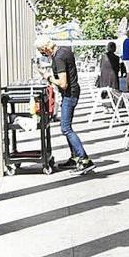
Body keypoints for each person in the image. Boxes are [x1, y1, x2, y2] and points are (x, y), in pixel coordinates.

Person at [34, 36, 94, 174]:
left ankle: (84, 159)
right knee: (67, 127)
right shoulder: (65, 51)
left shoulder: (58, 58)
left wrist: (47, 76)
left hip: (69, 94)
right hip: (73, 91)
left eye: (41, 51)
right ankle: (75, 157)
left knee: (66, 128)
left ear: (45, 48)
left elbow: (63, 83)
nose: (42, 53)